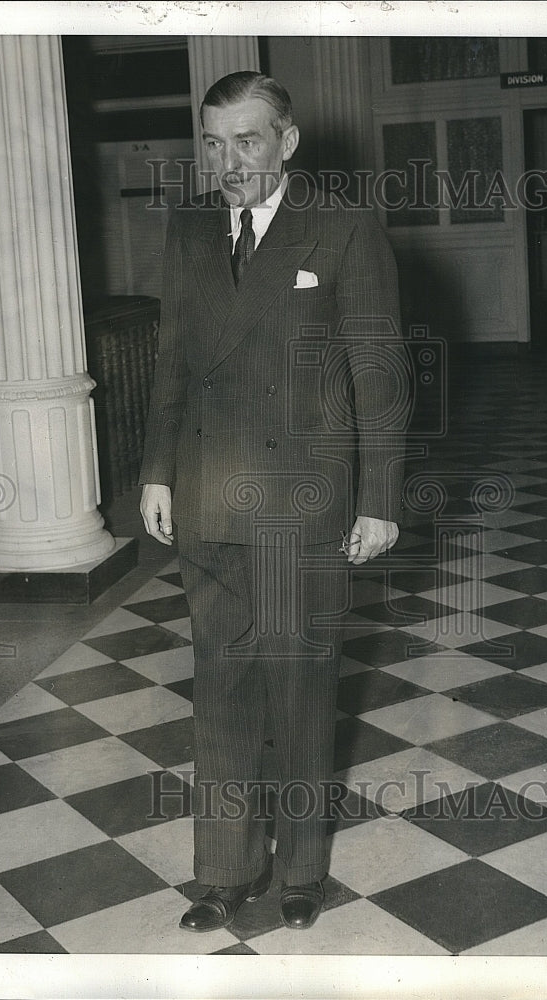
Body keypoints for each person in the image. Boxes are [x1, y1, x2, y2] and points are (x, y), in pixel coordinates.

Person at [139, 71, 407, 932]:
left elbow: (379, 369)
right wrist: (155, 473)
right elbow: (174, 359)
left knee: (298, 687)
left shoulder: (342, 225)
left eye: (247, 141)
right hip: (209, 496)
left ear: (287, 142)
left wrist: (381, 499)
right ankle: (222, 872)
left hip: (303, 501)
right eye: (214, 144)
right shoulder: (187, 230)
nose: (229, 161)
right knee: (221, 691)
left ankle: (300, 870)